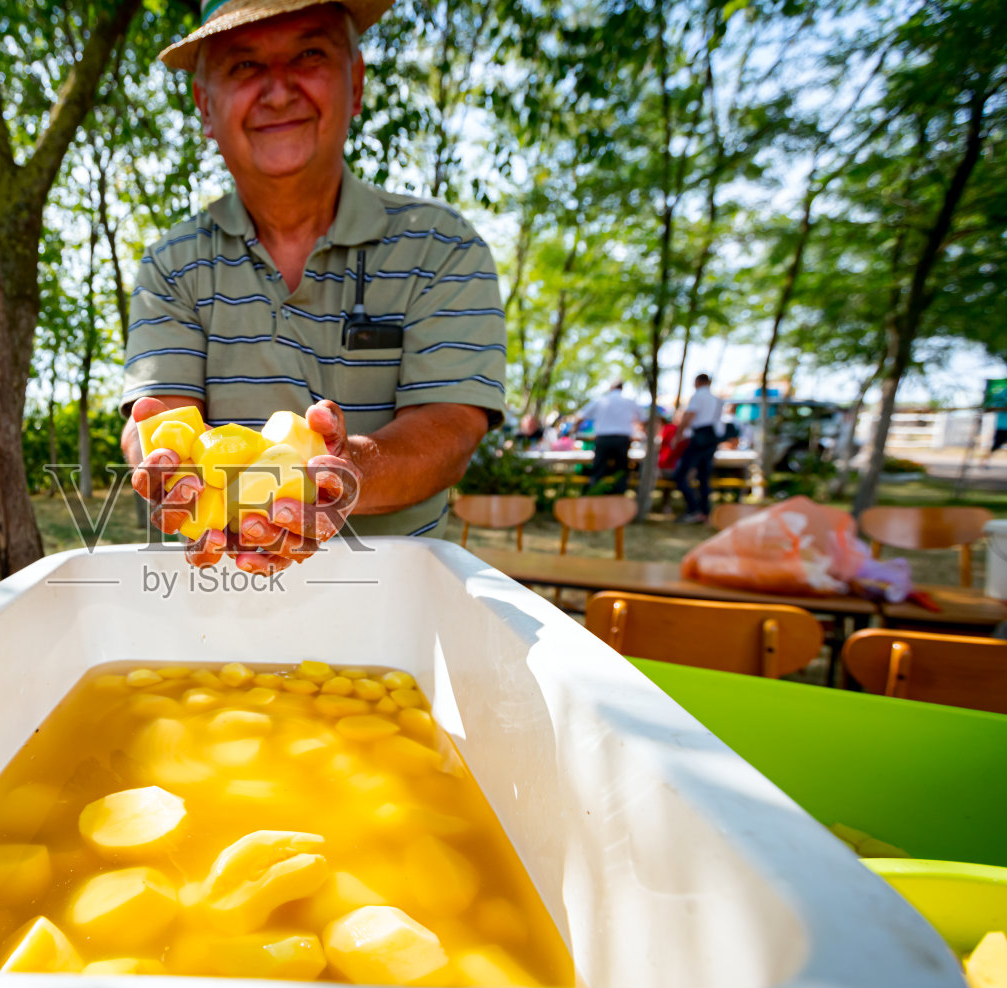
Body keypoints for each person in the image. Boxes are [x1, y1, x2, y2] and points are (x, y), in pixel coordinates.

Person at [121, 0, 504, 575]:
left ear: (355, 83)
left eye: (308, 53)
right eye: (244, 66)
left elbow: (450, 428)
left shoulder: (443, 245)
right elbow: (162, 419)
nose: (278, 91)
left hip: (396, 602)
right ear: (205, 105)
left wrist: (347, 472)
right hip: (216, 602)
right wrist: (164, 464)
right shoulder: (171, 266)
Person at [674, 373, 726, 523]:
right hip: (711, 438)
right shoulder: (717, 399)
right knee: (704, 477)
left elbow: (689, 416)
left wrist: (678, 435)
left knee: (680, 475)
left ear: (698, 382)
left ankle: (694, 509)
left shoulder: (698, 396)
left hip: (700, 437)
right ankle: (704, 511)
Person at [574, 382, 642, 494]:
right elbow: (644, 418)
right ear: (622, 388)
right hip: (622, 440)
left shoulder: (601, 400)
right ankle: (618, 497)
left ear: (611, 388)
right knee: (621, 470)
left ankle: (596, 494)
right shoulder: (629, 402)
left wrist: (574, 430)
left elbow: (581, 415)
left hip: (603, 439)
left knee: (599, 469)